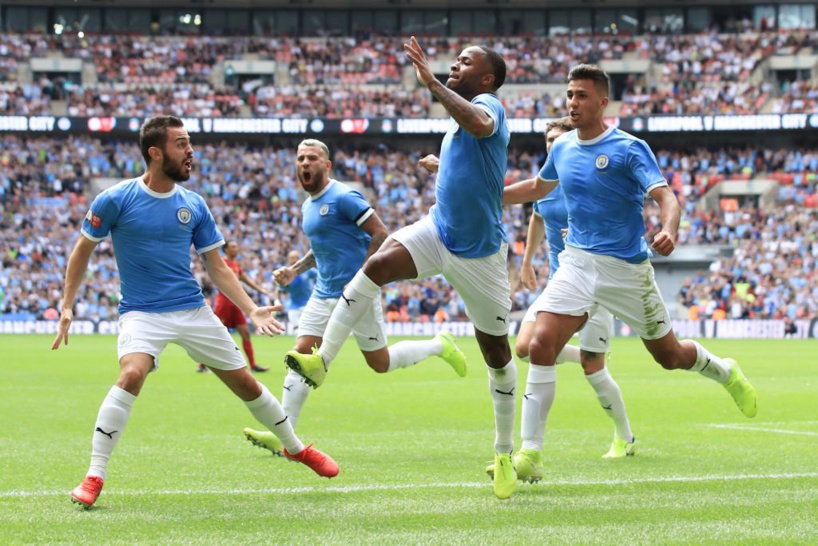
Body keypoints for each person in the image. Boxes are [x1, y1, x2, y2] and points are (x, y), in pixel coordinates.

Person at [52, 116, 338, 510]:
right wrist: (66, 305)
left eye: (190, 143)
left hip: (192, 310)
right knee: (132, 373)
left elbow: (217, 266)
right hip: (142, 313)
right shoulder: (115, 199)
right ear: (156, 153)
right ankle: (94, 474)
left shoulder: (193, 204)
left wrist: (252, 309)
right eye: (181, 144)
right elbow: (81, 250)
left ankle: (295, 448)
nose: (191, 152)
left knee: (247, 386)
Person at [282, 39, 520, 500]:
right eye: (454, 60)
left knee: (496, 355)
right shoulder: (457, 128)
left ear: (487, 78)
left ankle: (505, 451)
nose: (455, 63)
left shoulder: (489, 105)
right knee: (376, 265)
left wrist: (431, 82)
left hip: (480, 257)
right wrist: (440, 163)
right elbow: (469, 166)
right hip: (437, 231)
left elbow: (478, 124)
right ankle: (322, 360)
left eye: (466, 61)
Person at [503, 65, 758, 483]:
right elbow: (535, 188)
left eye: (582, 95)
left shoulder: (628, 148)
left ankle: (724, 370)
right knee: (541, 343)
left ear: (603, 102)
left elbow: (665, 196)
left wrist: (669, 228)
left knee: (669, 356)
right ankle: (530, 452)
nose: (573, 102)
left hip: (626, 270)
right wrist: (488, 195)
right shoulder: (563, 147)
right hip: (577, 263)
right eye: (570, 94)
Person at [243, 138, 467, 457]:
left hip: (356, 293)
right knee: (300, 355)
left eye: (312, 158)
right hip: (322, 293)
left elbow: (380, 233)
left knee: (380, 362)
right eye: (301, 158)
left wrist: (363, 277)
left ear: (326, 164)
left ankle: (438, 344)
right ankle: (284, 435)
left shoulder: (344, 196)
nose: (305, 163)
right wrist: (295, 270)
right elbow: (321, 247)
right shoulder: (308, 204)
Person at [487, 117, 636, 485]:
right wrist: (526, 262)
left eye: (559, 139)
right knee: (523, 346)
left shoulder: (585, 179)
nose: (553, 145)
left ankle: (625, 436)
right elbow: (537, 216)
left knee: (593, 371)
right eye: (548, 140)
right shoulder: (549, 179)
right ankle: (530, 451)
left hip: (594, 282)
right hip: (559, 282)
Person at [196, 240, 275, 373]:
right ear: (226, 250)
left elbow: (246, 280)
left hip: (236, 304)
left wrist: (262, 291)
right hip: (224, 303)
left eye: (236, 246)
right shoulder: (221, 263)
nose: (236, 249)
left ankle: (253, 365)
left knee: (245, 333)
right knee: (217, 334)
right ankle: (201, 365)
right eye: (233, 247)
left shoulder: (236, 264)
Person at [279, 250, 316, 333]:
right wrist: (278, 302)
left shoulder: (308, 270)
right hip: (293, 307)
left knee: (309, 330)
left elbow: (319, 276)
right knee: (297, 331)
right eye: (292, 258)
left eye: (297, 257)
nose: (295, 260)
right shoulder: (285, 274)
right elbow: (280, 290)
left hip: (307, 305)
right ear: (289, 260)